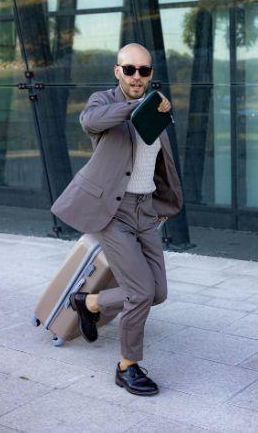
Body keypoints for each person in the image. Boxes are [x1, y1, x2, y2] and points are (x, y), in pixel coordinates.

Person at [50, 43, 183, 396]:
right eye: (130, 70)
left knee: (157, 293)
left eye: (144, 71)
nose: (137, 77)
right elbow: (89, 121)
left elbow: (157, 164)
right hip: (113, 212)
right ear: (117, 71)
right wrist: (135, 106)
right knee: (140, 292)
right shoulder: (104, 102)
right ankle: (127, 366)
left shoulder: (157, 109)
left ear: (150, 73)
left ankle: (89, 302)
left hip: (146, 210)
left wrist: (159, 206)